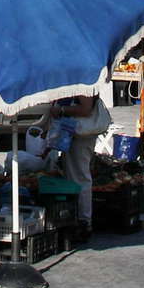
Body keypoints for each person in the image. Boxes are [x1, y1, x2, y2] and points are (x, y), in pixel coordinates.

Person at [46, 93, 110, 239]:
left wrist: (62, 111)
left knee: (79, 175)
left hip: (81, 135)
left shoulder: (85, 82)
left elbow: (85, 109)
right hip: (73, 134)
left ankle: (83, 220)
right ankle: (76, 218)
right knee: (73, 174)